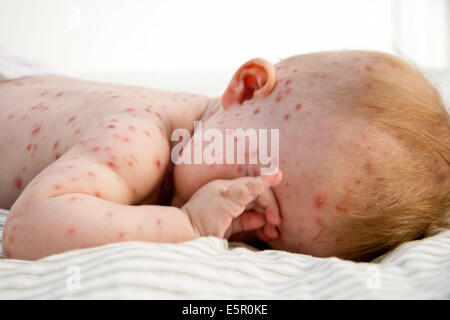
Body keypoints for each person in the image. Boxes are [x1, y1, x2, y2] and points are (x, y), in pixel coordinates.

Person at [1, 50, 449, 261]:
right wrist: (187, 226)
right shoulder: (140, 142)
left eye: (261, 238)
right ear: (247, 87)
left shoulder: (214, 128)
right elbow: (25, 230)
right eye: (253, 183)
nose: (232, 214)